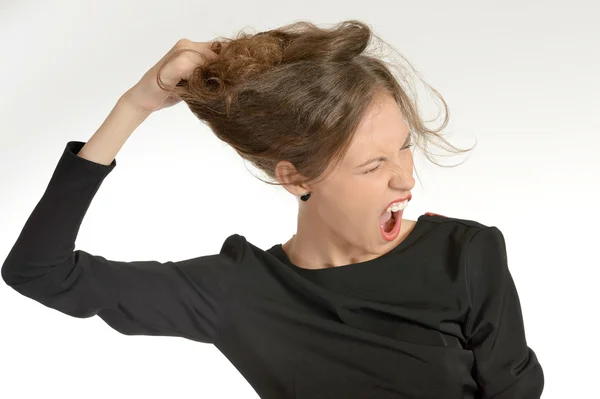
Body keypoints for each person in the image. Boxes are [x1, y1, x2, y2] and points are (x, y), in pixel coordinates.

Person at [1, 20, 544, 399]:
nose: (407, 176)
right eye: (372, 164)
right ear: (295, 176)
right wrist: (134, 106)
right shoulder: (236, 290)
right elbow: (39, 272)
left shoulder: (466, 254)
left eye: (403, 146)